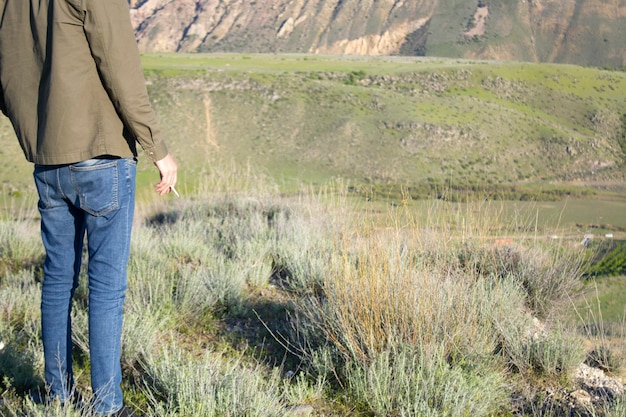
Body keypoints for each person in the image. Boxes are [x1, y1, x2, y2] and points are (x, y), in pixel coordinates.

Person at [0, 1, 177, 416]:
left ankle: (57, 396)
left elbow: (6, 74)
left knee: (58, 280)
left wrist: (34, 126)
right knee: (106, 286)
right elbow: (121, 68)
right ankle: (107, 406)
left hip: (47, 160)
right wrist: (157, 147)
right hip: (101, 153)